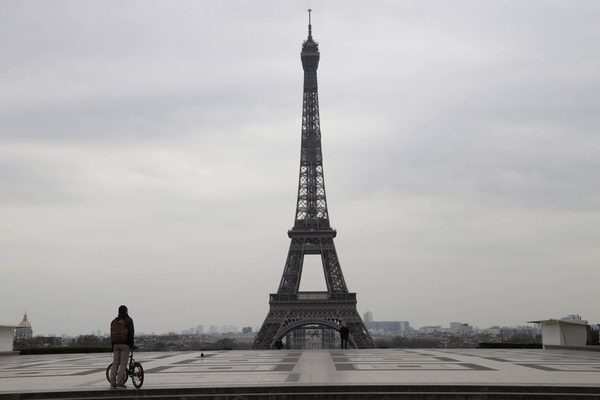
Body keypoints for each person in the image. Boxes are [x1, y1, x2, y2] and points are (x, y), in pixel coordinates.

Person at [109, 305, 134, 389]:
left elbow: (112, 334)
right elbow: (131, 334)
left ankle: (112, 382)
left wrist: (113, 346)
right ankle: (120, 382)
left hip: (116, 345)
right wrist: (131, 345)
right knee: (123, 364)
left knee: (115, 363)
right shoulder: (128, 320)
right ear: (126, 311)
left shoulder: (114, 321)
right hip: (125, 345)